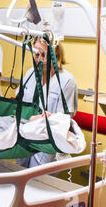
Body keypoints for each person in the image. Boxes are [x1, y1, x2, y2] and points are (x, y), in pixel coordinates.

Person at [16, 36, 78, 168]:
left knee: (38, 177)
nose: (40, 60)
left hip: (47, 138)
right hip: (25, 133)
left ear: (56, 55)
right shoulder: (30, 74)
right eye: (37, 54)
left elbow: (64, 118)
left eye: (45, 55)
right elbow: (18, 103)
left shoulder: (67, 81)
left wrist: (41, 119)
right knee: (19, 171)